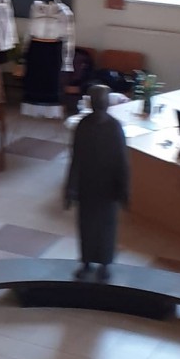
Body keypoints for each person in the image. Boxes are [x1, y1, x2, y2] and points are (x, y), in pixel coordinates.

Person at [64, 84, 129, 279]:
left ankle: (105, 264)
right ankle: (86, 261)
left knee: (107, 227)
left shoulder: (114, 127)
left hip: (108, 187)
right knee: (86, 227)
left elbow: (122, 161)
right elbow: (75, 158)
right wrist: (71, 188)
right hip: (87, 185)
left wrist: (124, 189)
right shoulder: (83, 126)